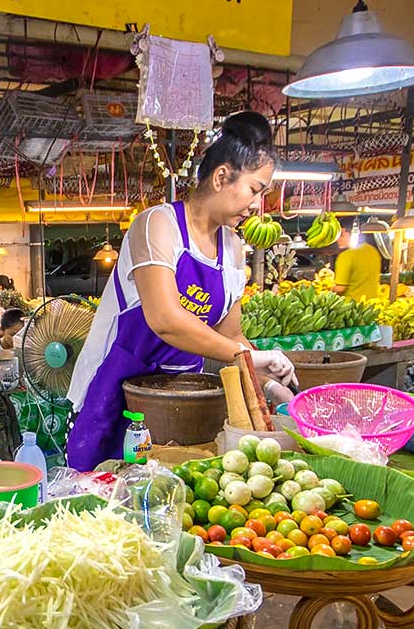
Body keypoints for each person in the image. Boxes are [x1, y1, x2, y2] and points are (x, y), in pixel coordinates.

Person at [65, 112, 295, 471]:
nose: (257, 205)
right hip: (113, 390)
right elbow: (165, 320)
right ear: (221, 177)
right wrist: (247, 356)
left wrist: (267, 383)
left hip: (183, 401)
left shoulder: (233, 248)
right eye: (255, 190)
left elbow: (231, 337)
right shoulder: (158, 225)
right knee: (100, 489)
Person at [330, 224, 384, 301]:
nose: (338, 239)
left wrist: (327, 289)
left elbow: (341, 288)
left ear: (353, 234)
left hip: (352, 306)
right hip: (372, 304)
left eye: (341, 235)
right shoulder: (373, 250)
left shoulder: (346, 256)